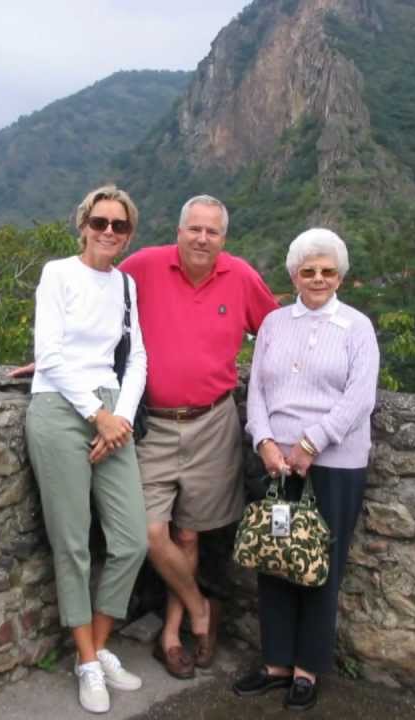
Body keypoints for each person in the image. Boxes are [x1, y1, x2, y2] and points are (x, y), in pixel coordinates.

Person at [117, 195, 280, 679]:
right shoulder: (143, 267)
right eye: (195, 229)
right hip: (153, 424)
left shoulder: (241, 277)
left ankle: (171, 635)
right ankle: (201, 610)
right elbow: (96, 309)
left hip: (212, 423)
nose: (202, 238)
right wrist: (52, 360)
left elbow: (277, 333)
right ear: (179, 230)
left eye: (212, 231)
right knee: (149, 532)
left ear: (223, 238)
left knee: (188, 533)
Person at [233, 228, 379, 711]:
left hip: (334, 462)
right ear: (294, 275)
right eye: (308, 270)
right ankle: (275, 662)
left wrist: (312, 443)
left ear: (340, 276)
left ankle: (307, 670)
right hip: (276, 463)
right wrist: (264, 440)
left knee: (321, 565)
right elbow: (257, 389)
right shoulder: (274, 323)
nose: (318, 279)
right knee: (274, 558)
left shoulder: (356, 327)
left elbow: (360, 397)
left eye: (327, 271)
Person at [24, 185, 150, 714]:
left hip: (111, 411)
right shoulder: (58, 274)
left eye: (119, 225)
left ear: (129, 234)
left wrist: (120, 418)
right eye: (100, 222)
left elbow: (137, 357)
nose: (108, 232)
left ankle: (94, 650)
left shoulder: (125, 285)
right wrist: (96, 414)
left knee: (132, 539)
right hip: (59, 407)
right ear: (83, 225)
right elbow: (49, 354)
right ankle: (88, 660)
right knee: (73, 542)